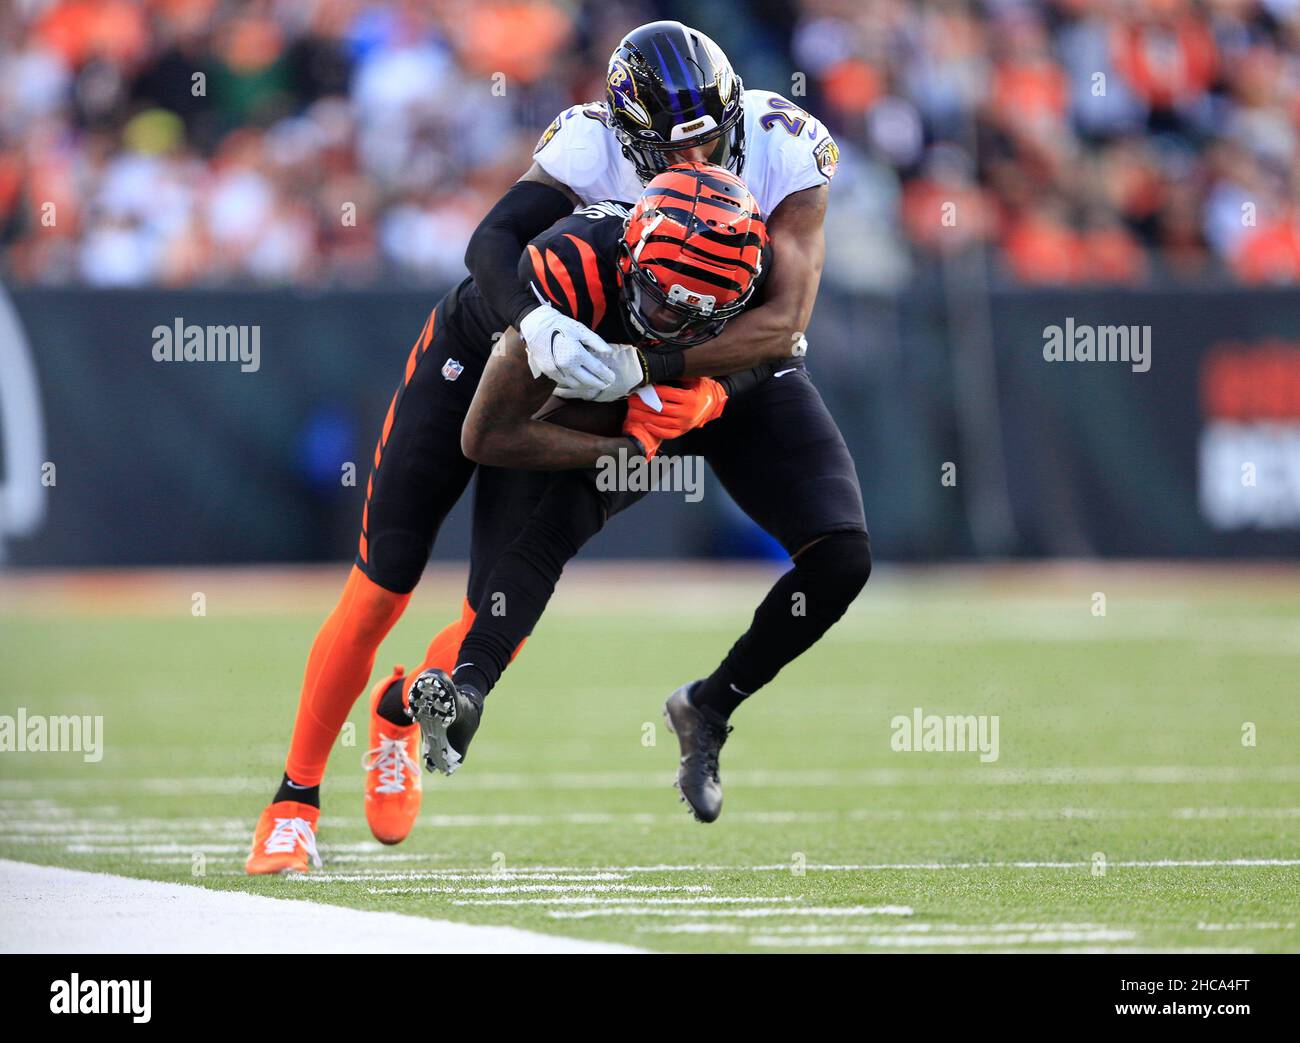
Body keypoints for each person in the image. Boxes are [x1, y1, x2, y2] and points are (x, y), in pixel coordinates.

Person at [245, 163, 767, 873]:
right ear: (634, 253)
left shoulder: (735, 283)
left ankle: (398, 707)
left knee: (494, 623)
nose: (668, 320)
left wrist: (706, 395)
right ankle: (292, 803)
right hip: (473, 378)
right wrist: (622, 443)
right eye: (660, 298)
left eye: (691, 314)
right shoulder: (575, 262)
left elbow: (770, 351)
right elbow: (488, 434)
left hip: (563, 405)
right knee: (381, 585)